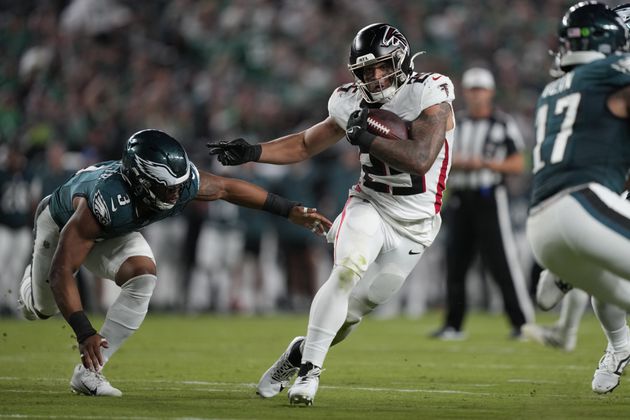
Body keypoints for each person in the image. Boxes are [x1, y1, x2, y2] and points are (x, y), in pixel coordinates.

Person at [208, 22, 455, 405]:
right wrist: (254, 152)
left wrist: (366, 136)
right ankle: (310, 374)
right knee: (345, 271)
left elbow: (421, 159)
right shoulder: (348, 100)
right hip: (370, 204)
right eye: (365, 71)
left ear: (401, 59)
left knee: (351, 316)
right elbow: (306, 144)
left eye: (381, 67)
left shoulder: (429, 92)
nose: (373, 78)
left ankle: (297, 354)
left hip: (416, 226)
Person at [17, 129, 332, 397]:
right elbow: (62, 271)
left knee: (143, 276)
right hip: (60, 226)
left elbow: (226, 188)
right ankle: (32, 285)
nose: (178, 193)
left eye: (180, 184)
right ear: (140, 181)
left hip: (115, 230)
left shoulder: (178, 184)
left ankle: (88, 374)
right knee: (44, 309)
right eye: (168, 187)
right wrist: (85, 332)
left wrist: (288, 209)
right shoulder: (104, 201)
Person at [526, 1, 630, 394]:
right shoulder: (608, 73)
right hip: (584, 205)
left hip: (543, 228)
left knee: (617, 291)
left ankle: (618, 346)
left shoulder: (552, 90)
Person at [430, 67, 534, 340]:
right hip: (461, 198)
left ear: (490, 92)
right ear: (465, 92)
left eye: (481, 90)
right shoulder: (456, 122)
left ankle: (521, 324)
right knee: (455, 263)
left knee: (502, 263)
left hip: (490, 197)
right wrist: (457, 164)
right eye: (472, 90)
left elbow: (518, 163)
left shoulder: (502, 123)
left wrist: (485, 163)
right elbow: (437, 157)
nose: (476, 95)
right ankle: (453, 325)